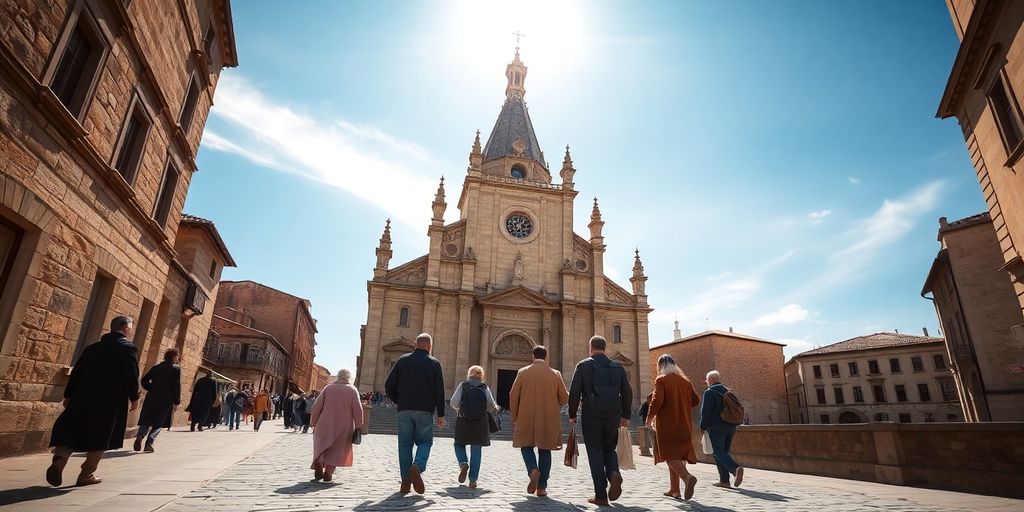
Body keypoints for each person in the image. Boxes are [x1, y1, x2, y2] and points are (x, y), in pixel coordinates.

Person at [47, 316, 140, 487]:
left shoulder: (92, 348)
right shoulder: (128, 349)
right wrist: (134, 397)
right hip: (109, 401)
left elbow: (76, 373)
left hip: (81, 396)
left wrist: (69, 395)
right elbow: (131, 375)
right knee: (100, 435)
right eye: (131, 328)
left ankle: (59, 460)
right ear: (126, 329)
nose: (131, 331)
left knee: (72, 428)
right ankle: (86, 474)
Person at [568, 335, 632, 506]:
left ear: (590, 348)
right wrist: (625, 415)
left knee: (595, 450)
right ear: (605, 348)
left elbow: (574, 392)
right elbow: (627, 391)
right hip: (613, 414)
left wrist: (572, 414)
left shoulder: (583, 365)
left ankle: (601, 495)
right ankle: (613, 473)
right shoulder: (617, 367)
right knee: (610, 448)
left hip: (591, 413)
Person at [384, 332, 446, 495]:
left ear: (415, 345)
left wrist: (399, 401)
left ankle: (405, 482)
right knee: (425, 442)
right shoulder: (435, 363)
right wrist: (441, 414)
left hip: (405, 410)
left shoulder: (403, 360)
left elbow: (389, 385)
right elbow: (439, 392)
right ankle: (417, 466)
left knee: (404, 445)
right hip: (425, 411)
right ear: (429, 346)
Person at [509, 345, 569, 497]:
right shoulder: (555, 374)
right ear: (546, 357)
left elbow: (513, 395)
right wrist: (553, 405)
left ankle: (532, 470)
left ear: (533, 356)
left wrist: (514, 415)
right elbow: (564, 397)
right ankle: (542, 488)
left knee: (525, 445)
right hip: (549, 418)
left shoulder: (523, 372)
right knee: (545, 450)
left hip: (526, 415)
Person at [646, 354, 702, 500]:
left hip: (667, 424)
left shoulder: (661, 379)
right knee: (678, 455)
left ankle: (687, 477)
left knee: (669, 455)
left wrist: (649, 418)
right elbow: (696, 400)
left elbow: (657, 401)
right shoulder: (685, 381)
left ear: (660, 366)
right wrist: (682, 404)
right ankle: (674, 489)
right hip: (684, 422)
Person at [310, 369, 364, 482]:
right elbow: (358, 410)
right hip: (344, 427)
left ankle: (319, 460)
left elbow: (316, 406)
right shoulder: (352, 390)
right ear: (349, 378)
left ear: (338, 377)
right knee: (338, 450)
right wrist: (359, 425)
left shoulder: (328, 388)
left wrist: (313, 422)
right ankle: (328, 473)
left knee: (322, 445)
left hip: (324, 423)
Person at [449, 365, 497, 489]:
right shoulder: (484, 387)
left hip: (463, 420)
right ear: (481, 375)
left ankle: (463, 463)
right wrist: (482, 410)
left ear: (469, 374)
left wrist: (461, 409)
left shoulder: (463, 385)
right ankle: (473, 480)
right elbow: (491, 405)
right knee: (476, 449)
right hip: (480, 422)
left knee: (458, 444)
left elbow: (453, 402)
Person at [700, 370, 744, 489]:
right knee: (723, 453)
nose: (706, 382)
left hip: (716, 427)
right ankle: (724, 481)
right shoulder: (727, 391)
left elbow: (706, 412)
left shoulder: (709, 392)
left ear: (710, 380)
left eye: (706, 380)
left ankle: (735, 469)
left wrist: (702, 426)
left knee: (717, 451)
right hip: (731, 426)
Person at [134, 348, 181, 453]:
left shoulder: (156, 368)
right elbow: (176, 386)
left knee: (147, 419)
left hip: (152, 397)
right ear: (173, 357)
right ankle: (149, 442)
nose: (178, 358)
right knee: (159, 422)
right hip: (166, 400)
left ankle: (140, 436)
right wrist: (176, 401)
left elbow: (144, 380)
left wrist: (151, 388)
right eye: (177, 356)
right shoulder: (176, 369)